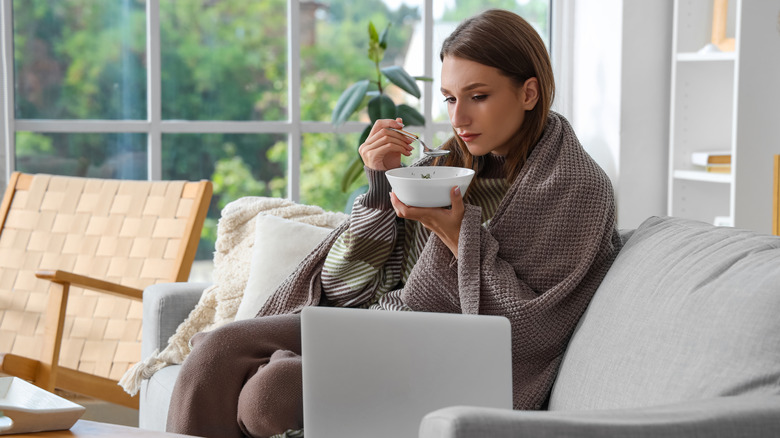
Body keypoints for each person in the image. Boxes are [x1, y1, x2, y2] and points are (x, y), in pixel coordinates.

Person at [166, 9, 622, 438]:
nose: (458, 118)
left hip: (453, 360)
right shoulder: (444, 166)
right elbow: (347, 289)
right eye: (449, 98)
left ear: (529, 92)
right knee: (215, 351)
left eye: (478, 97)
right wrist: (381, 188)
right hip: (386, 325)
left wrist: (458, 235)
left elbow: (530, 332)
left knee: (272, 392)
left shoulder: (577, 190)